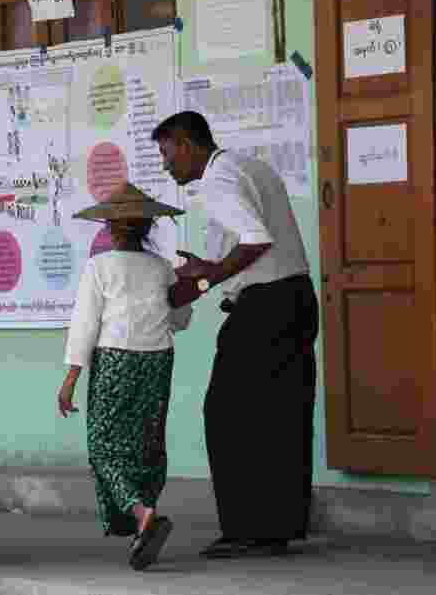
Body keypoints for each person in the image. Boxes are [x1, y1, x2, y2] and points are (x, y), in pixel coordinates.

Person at [152, 111, 318, 558]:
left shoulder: (216, 181)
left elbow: (255, 240)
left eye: (167, 155)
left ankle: (248, 531)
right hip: (295, 296)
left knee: (227, 415)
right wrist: (209, 274)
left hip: (267, 307)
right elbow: (247, 248)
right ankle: (278, 528)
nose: (167, 166)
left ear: (188, 145)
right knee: (282, 417)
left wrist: (206, 279)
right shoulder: (248, 165)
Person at [58, 183, 193, 571]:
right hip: (157, 361)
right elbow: (180, 320)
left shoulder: (99, 267)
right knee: (147, 445)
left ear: (111, 228)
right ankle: (142, 523)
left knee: (103, 446)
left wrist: (70, 379)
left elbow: (84, 326)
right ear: (147, 227)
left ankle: (141, 512)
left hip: (115, 361)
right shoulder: (163, 268)